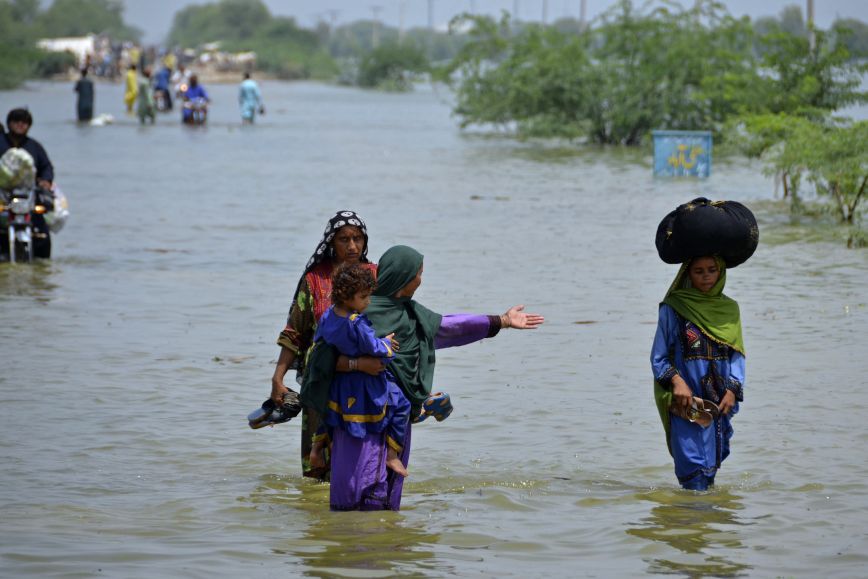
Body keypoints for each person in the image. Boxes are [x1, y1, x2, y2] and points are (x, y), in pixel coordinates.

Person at [306, 245, 545, 511]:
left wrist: (501, 320)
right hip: (359, 411)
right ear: (403, 278)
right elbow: (317, 361)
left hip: (392, 411)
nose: (421, 280)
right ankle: (359, 540)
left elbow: (451, 327)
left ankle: (374, 542)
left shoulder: (411, 316)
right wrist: (357, 364)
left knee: (383, 490)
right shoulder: (357, 313)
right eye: (418, 274)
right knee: (359, 482)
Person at [270, 210, 378, 480]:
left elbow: (392, 325)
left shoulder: (375, 276)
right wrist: (278, 377)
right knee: (318, 467)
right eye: (344, 239)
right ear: (331, 242)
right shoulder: (315, 280)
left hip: (364, 380)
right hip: (321, 380)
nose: (352, 246)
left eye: (358, 238)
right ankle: (317, 518)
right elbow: (295, 332)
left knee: (363, 459)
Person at [650, 255, 745, 491]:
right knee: (693, 471)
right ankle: (692, 522)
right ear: (687, 275)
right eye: (698, 271)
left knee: (710, 472)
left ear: (721, 272)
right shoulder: (673, 309)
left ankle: (701, 524)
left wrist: (733, 389)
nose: (706, 277)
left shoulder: (729, 309)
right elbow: (658, 357)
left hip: (718, 401)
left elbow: (738, 355)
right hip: (687, 401)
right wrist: (677, 381)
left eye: (712, 270)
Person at [307, 263, 410, 480]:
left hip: (339, 382)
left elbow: (321, 343)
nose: (368, 301)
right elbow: (375, 348)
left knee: (330, 414)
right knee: (402, 404)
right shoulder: (357, 323)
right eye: (364, 297)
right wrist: (387, 343)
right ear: (346, 297)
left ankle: (316, 450)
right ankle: (392, 454)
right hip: (363, 382)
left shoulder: (328, 316)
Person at [0, 108, 55, 257]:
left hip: (28, 196)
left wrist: (45, 181)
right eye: (16, 121)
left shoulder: (34, 146)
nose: (20, 125)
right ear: (9, 123)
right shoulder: (1, 142)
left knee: (41, 226)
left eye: (24, 122)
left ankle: (41, 260)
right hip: (3, 196)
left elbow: (46, 167)